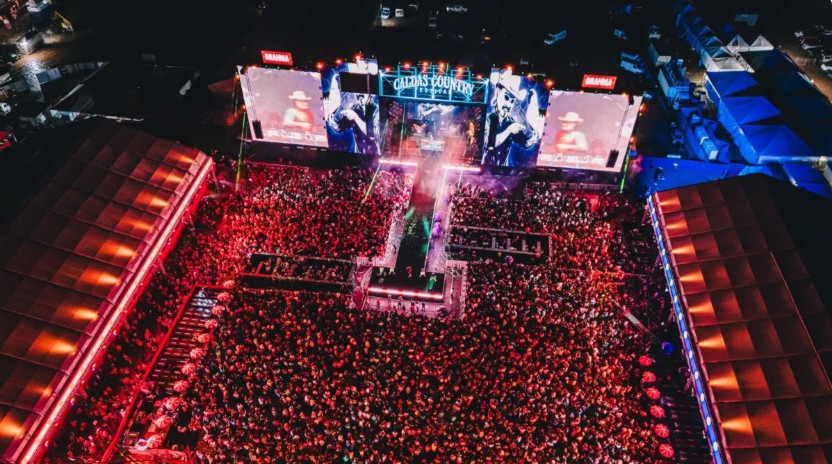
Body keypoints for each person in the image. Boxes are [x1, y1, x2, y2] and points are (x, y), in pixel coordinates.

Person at [482, 76, 543, 167]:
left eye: (512, 101)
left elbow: (525, 143)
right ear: (497, 93)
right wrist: (509, 130)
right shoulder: (491, 118)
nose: (508, 104)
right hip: (486, 169)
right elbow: (490, 144)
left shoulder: (510, 122)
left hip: (502, 170)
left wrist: (534, 134)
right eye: (506, 97)